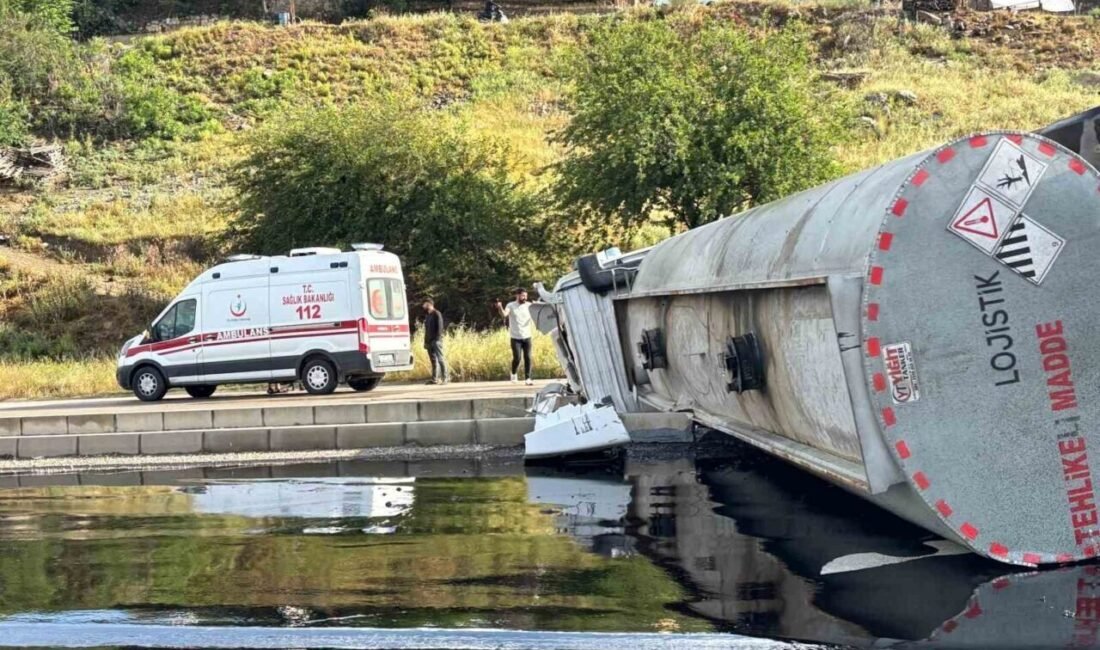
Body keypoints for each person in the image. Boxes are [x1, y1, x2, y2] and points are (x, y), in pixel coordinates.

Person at [495, 287, 534, 386]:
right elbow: (504, 315)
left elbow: (536, 314)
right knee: (517, 358)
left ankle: (528, 378)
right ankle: (513, 373)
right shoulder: (511, 305)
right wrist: (500, 307)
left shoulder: (529, 305)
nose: (524, 298)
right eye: (522, 296)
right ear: (517, 295)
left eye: (526, 296)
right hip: (515, 337)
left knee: (528, 357)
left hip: (527, 335)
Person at [422, 299, 448, 385]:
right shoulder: (428, 315)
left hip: (436, 341)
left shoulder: (437, 313)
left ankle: (445, 378)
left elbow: (440, 328)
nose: (423, 305)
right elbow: (426, 330)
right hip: (429, 342)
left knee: (440, 359)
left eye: (425, 304)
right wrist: (425, 342)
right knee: (433, 361)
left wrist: (437, 339)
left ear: (429, 304)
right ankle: (434, 379)